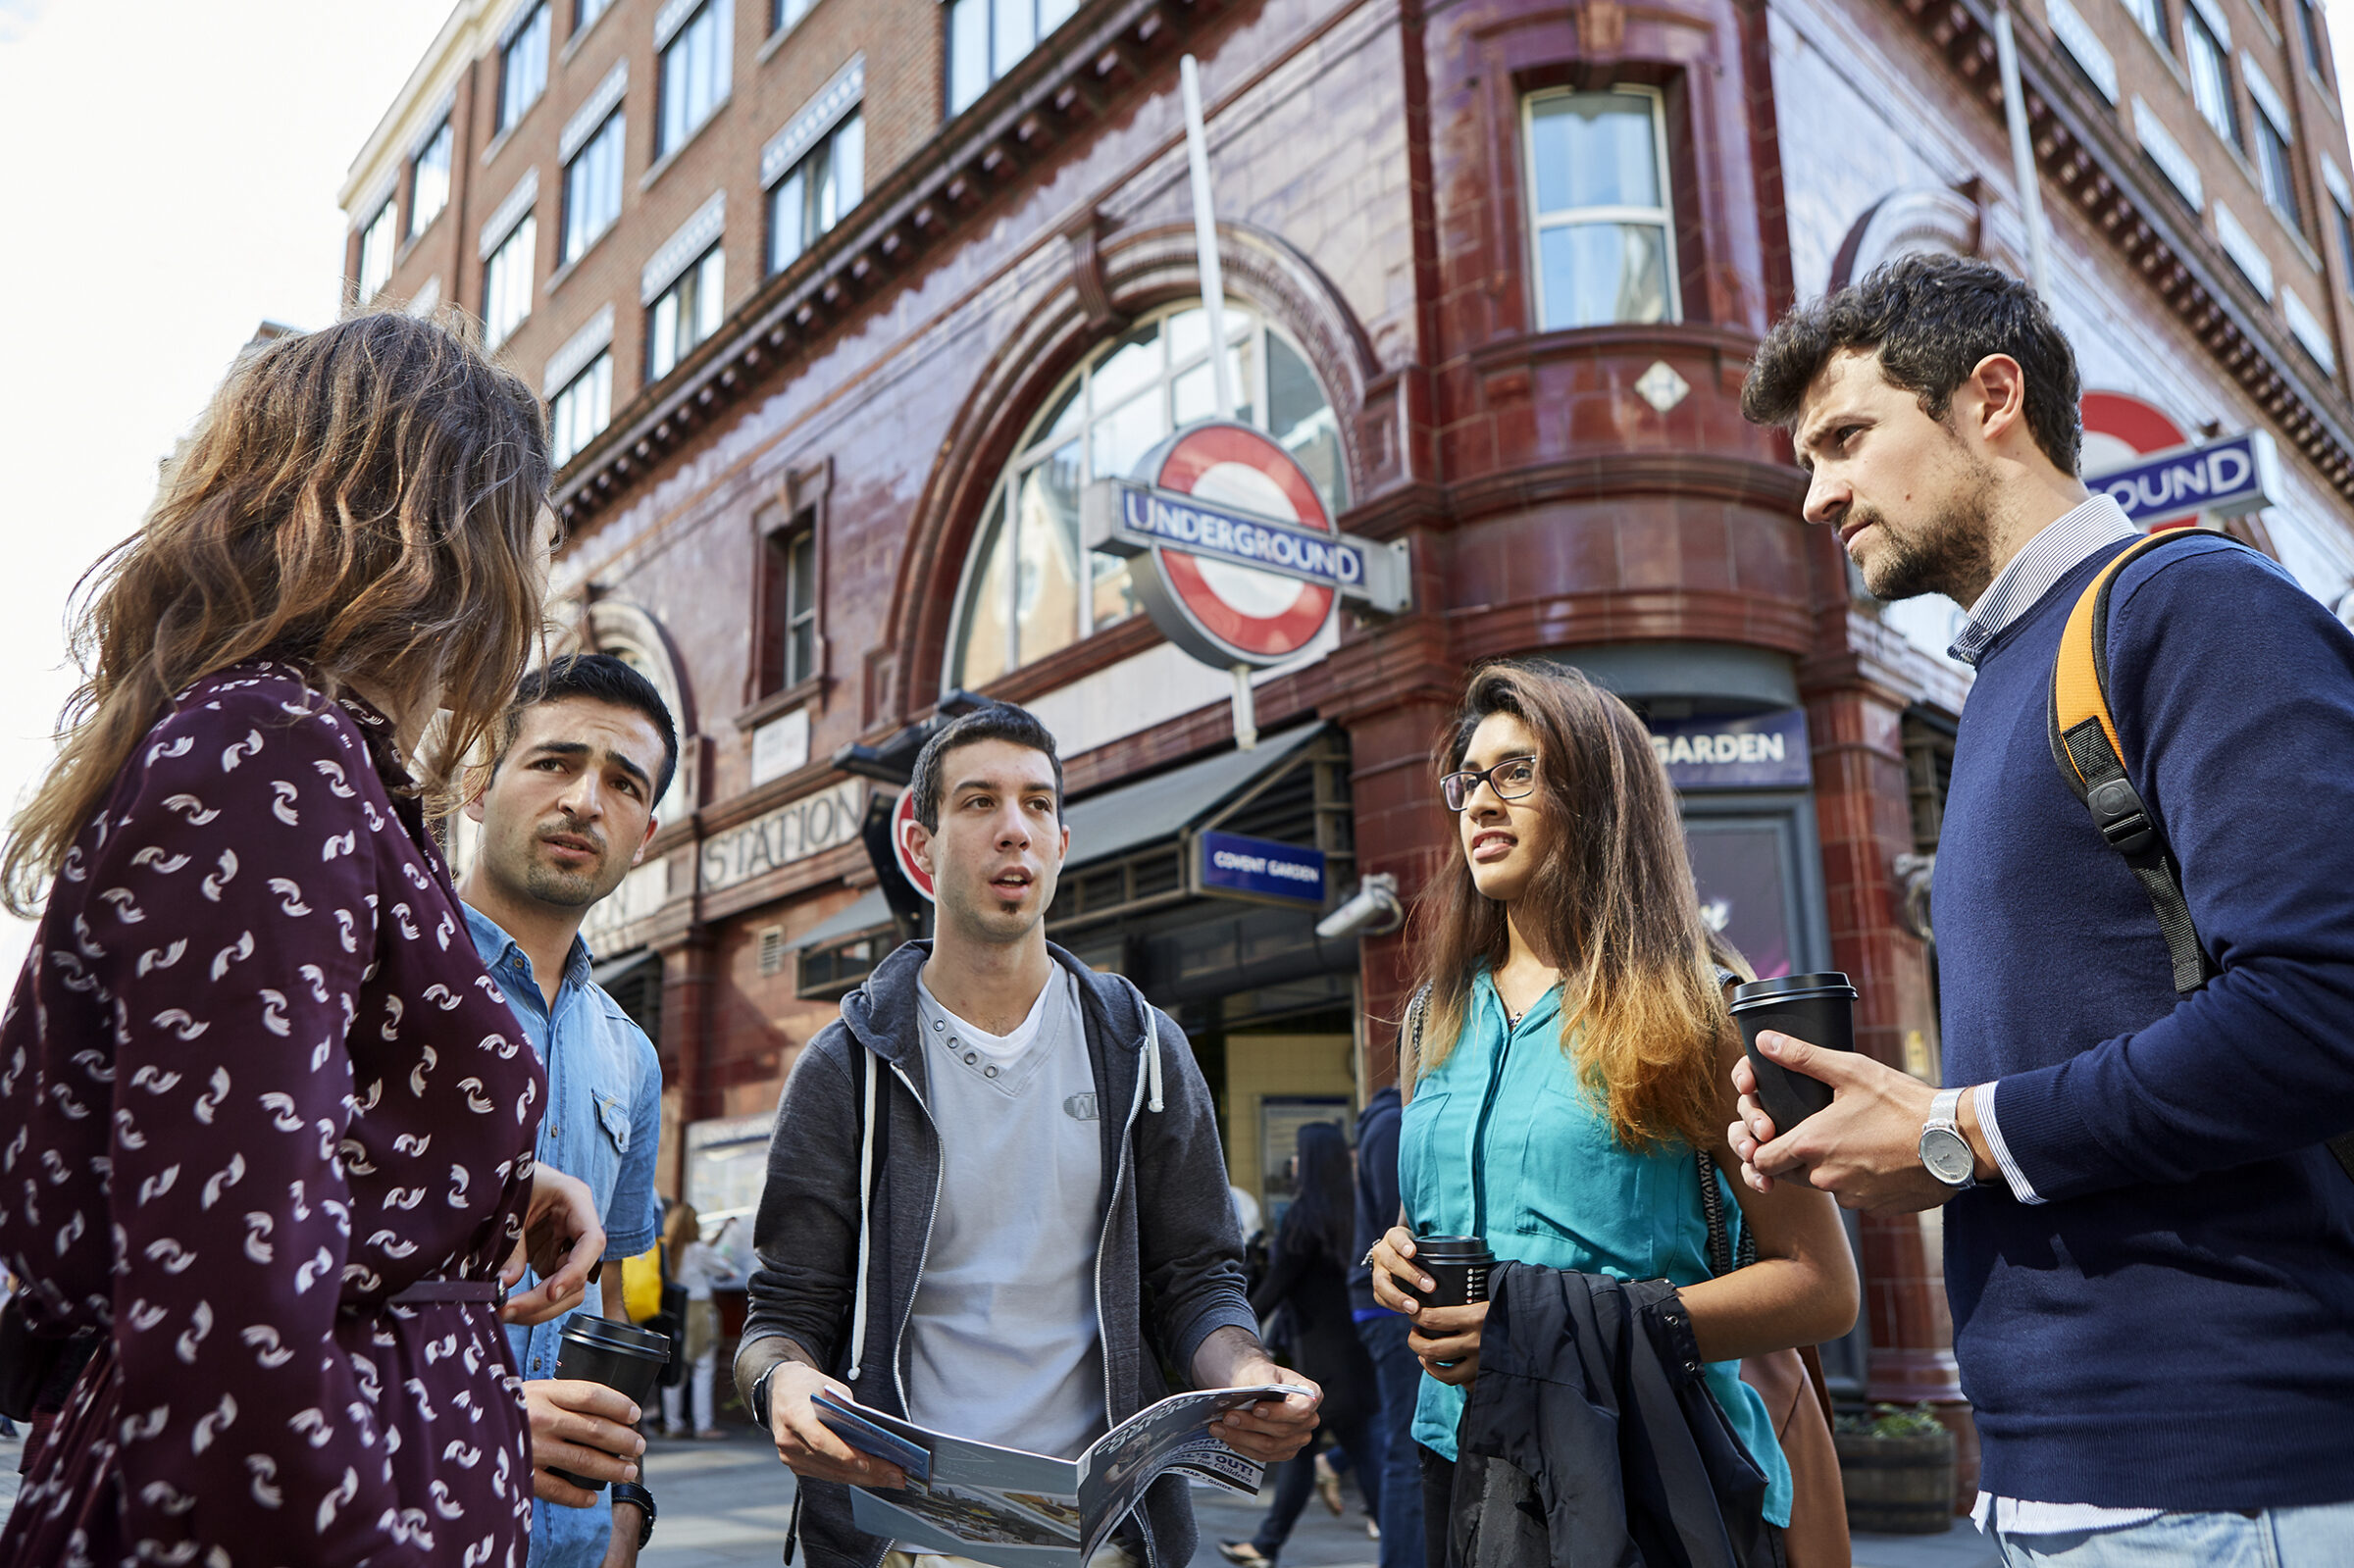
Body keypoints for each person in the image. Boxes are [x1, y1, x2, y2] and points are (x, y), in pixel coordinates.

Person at [1733, 253, 2354, 1563]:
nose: (1816, 491)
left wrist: (1955, 1134)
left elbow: (2322, 1007)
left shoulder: (2190, 605)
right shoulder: (2004, 683)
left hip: (2230, 1481)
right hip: (2062, 1487)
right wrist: (1897, 1139)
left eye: (1846, 437)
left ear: (1991, 397)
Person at [0, 311, 606, 1567]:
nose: (544, 575)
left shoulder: (304, 759)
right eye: (537, 530)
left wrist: (469, 1188)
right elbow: (228, 1308)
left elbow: (244, 1144)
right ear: (454, 530)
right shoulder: (274, 754)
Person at [733, 700, 1322, 1568]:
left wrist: (1243, 1376)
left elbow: (1198, 1276)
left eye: (1037, 804)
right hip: (910, 1542)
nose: (1015, 828)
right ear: (922, 846)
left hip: (1103, 1539)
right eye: (979, 802)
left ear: (1061, 843)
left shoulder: (1140, 1046)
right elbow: (784, 1314)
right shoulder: (847, 1064)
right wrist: (783, 1383)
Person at [1365, 661, 1857, 1568]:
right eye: (1467, 780)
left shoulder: (1703, 1011)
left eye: (1517, 772)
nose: (1481, 802)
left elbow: (1821, 1286)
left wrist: (1537, 1327)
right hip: (1460, 1459)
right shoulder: (1435, 1014)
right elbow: (1431, 1217)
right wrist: (1397, 1254)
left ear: (1598, 795)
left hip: (1643, 1467)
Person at [460, 651, 677, 1568]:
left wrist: (627, 1507)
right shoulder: (374, 984)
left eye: (623, 783)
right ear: (477, 785)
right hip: (398, 1513)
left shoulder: (631, 1054)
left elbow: (615, 1297)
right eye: (554, 762)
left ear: (645, 835)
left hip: (570, 1542)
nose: (586, 801)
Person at [1218, 1122, 1378, 1568]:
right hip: (1356, 1352)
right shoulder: (1355, 1212)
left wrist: (1228, 1325)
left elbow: (1276, 1286)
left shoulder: (1304, 1217)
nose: (1292, 1161)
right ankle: (1265, 1545)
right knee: (1351, 1451)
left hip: (1318, 1358)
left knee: (1335, 1451)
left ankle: (1267, 1545)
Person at [1348, 1081, 1423, 1568]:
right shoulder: (1393, 1123)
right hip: (1391, 1306)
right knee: (1409, 1449)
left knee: (1405, 1444)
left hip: (1385, 1306)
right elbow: (1396, 1222)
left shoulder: (1383, 1122)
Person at [658, 1203, 739, 1440]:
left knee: (676, 1369)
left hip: (674, 1312)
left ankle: (673, 1424)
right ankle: (703, 1426)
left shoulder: (666, 1249)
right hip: (699, 1312)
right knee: (703, 1368)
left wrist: (720, 1232)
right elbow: (724, 1269)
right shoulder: (698, 1250)